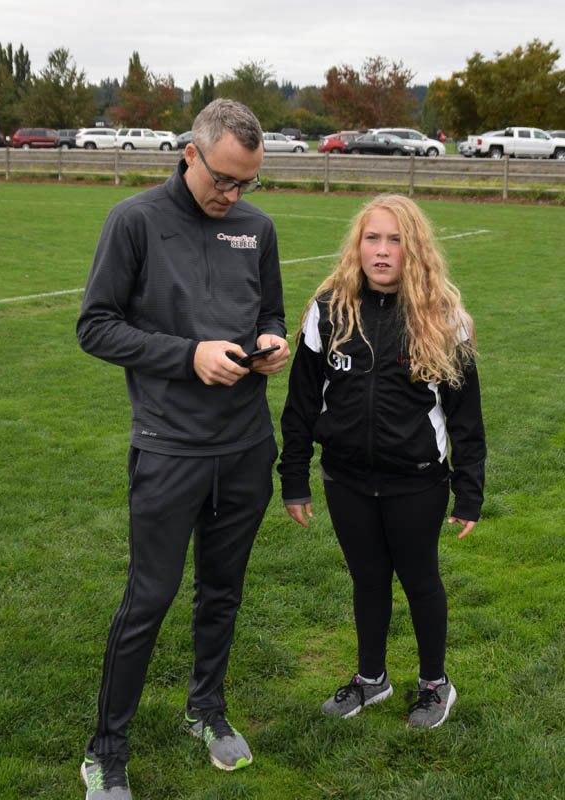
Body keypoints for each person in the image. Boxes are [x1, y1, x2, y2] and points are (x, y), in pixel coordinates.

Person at [76, 99, 289, 799]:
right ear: (190, 154)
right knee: (150, 597)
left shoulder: (256, 228)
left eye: (247, 183)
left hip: (246, 445)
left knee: (222, 593)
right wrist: (186, 355)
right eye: (223, 179)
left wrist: (271, 344)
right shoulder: (135, 221)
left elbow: (269, 311)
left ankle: (206, 710)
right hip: (170, 448)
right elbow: (97, 327)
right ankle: (106, 750)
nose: (233, 195)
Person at [278, 194, 485, 729]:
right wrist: (295, 479)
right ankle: (372, 679)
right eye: (373, 238)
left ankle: (435, 685)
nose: (383, 250)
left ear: (413, 248)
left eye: (395, 239)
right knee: (367, 579)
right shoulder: (327, 310)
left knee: (419, 579)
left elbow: (465, 418)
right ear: (358, 245)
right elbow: (300, 403)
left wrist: (470, 492)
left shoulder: (443, 318)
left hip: (416, 482)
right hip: (345, 478)